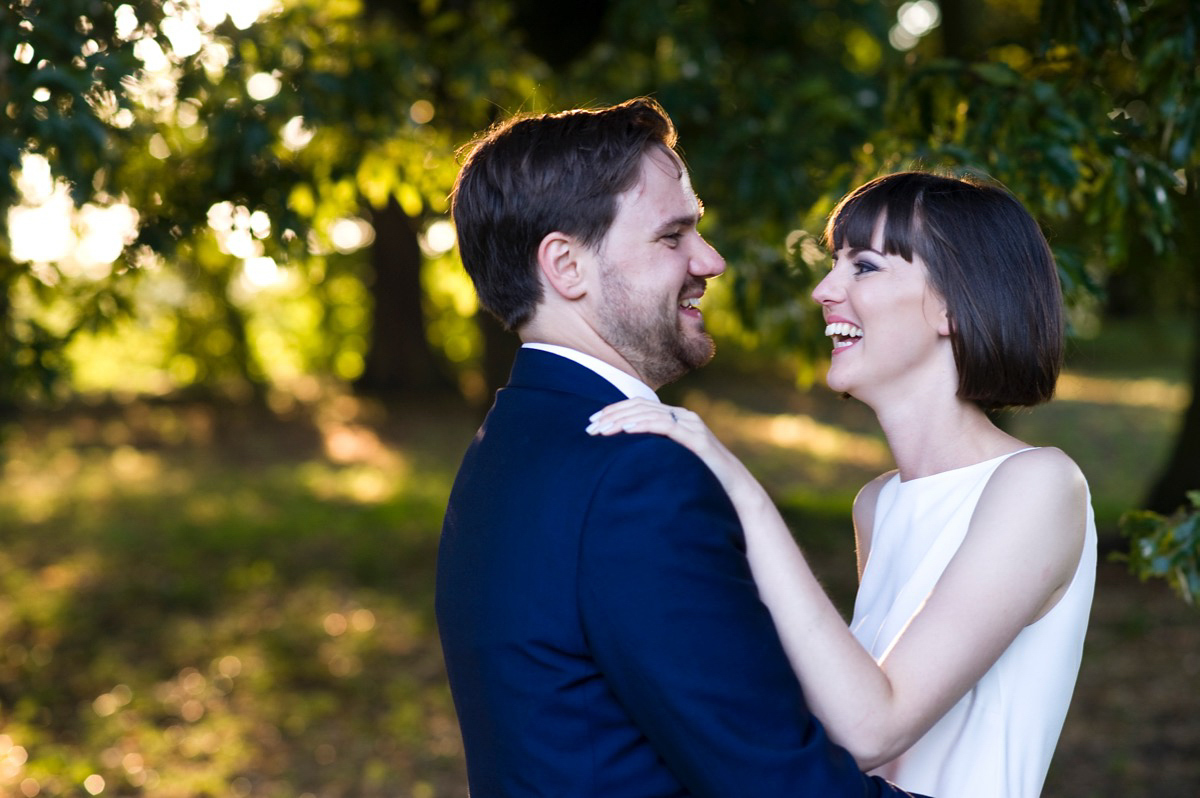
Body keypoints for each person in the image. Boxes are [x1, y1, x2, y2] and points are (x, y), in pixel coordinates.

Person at [435, 99, 927, 797]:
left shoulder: (505, 447)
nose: (712, 260)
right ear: (567, 266)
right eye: (673, 236)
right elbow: (772, 780)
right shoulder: (636, 473)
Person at [589, 170, 1097, 798]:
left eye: (865, 267)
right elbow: (834, 717)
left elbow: (872, 728)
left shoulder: (1040, 486)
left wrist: (741, 491)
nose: (824, 290)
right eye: (835, 265)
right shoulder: (878, 505)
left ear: (952, 305)